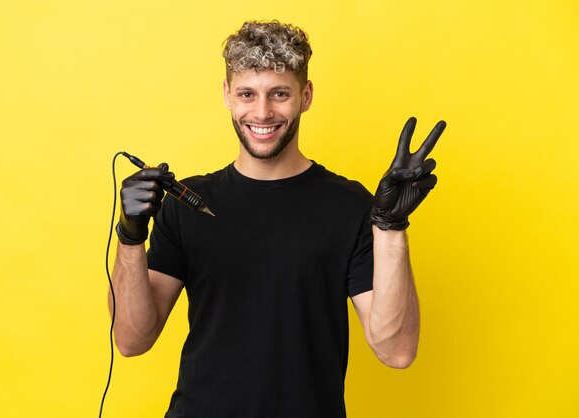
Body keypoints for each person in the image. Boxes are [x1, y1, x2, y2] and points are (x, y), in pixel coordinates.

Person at [110, 20, 446, 418]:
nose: (262, 112)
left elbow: (397, 350)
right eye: (247, 94)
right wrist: (131, 236)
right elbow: (132, 340)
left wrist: (390, 228)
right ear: (226, 95)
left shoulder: (350, 206)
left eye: (279, 94)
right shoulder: (187, 203)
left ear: (306, 95)